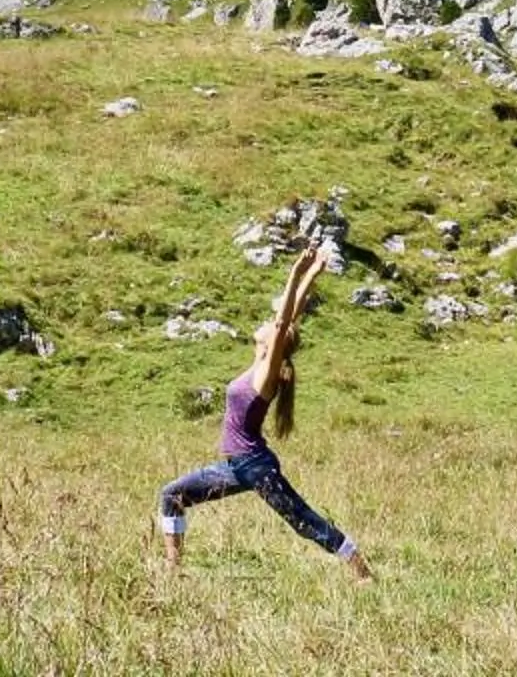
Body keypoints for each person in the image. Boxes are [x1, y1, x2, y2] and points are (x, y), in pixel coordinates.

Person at [155, 240, 372, 580]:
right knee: (172, 495)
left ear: (275, 342)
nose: (270, 322)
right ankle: (172, 568)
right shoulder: (259, 363)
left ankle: (360, 569)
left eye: (274, 327)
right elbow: (288, 316)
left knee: (303, 520)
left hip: (255, 467)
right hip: (234, 467)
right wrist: (312, 275)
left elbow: (285, 321)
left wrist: (294, 272)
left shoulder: (267, 373)